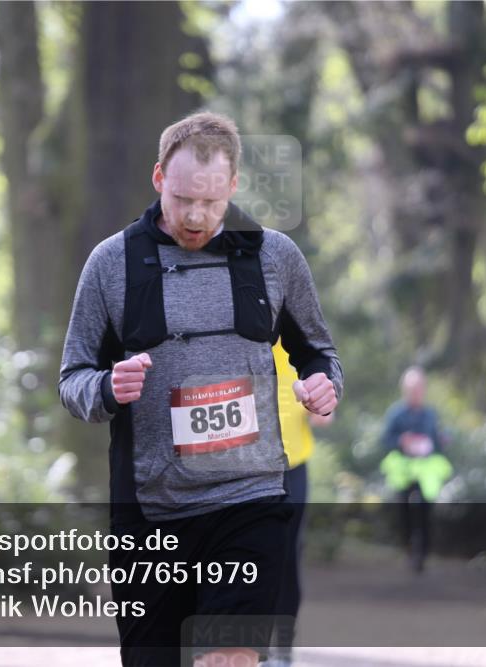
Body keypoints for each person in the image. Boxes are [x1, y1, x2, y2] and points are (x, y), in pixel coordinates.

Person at [59, 111, 343, 667]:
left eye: (211, 203)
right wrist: (107, 387)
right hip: (149, 514)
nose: (195, 216)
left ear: (233, 187)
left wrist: (324, 384)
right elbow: (72, 380)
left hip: (250, 498)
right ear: (159, 177)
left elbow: (319, 352)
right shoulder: (111, 264)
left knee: (229, 658)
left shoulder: (274, 256)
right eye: (183, 198)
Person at [268, 341, 332, 667]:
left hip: (293, 465)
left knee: (287, 555)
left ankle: (281, 645)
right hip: (246, 467)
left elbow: (325, 415)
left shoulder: (297, 338)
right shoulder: (237, 334)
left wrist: (316, 404)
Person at [379, 366, 452, 573]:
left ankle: (424, 551)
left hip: (426, 470)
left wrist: (441, 441)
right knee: (403, 510)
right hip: (402, 469)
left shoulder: (431, 414)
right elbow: (385, 439)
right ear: (405, 390)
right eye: (412, 389)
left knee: (425, 509)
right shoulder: (396, 413)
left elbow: (438, 439)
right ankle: (408, 547)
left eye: (419, 388)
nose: (416, 392)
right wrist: (402, 441)